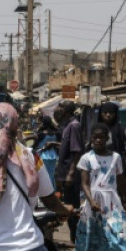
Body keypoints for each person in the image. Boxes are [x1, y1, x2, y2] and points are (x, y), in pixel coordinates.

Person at [0, 102, 72, 251]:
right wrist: (65, 210)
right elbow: (49, 200)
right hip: (30, 246)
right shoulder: (31, 157)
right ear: (15, 126)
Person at [76, 123, 126, 251]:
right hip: (93, 201)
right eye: (95, 137)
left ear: (107, 138)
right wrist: (91, 201)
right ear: (91, 138)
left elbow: (121, 180)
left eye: (101, 137)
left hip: (112, 201)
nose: (98, 140)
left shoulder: (116, 157)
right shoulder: (86, 158)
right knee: (94, 235)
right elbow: (85, 183)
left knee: (118, 234)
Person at [54, 100, 84, 243]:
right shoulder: (67, 125)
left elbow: (77, 151)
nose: (57, 109)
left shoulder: (74, 125)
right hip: (65, 173)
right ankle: (75, 237)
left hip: (70, 175)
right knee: (68, 205)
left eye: (60, 107)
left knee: (72, 207)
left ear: (65, 110)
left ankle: (78, 238)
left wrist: (71, 173)